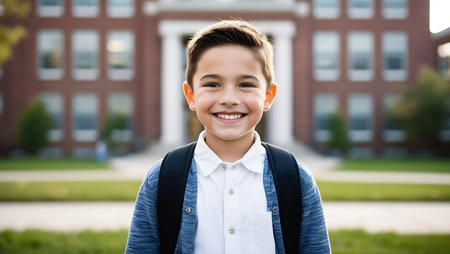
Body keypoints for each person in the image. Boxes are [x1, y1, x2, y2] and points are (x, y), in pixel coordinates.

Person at [125, 20, 331, 254]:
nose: (230, 98)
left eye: (245, 84)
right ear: (191, 96)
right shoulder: (161, 179)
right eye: (213, 84)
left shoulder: (295, 179)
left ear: (268, 95)